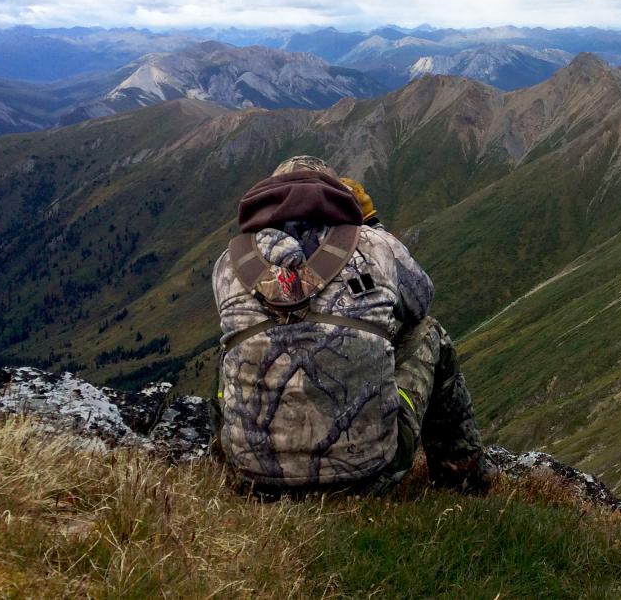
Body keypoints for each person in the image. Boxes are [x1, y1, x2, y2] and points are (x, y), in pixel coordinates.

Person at [211, 155, 492, 495]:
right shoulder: (375, 244)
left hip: (255, 481)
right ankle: (462, 481)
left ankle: (224, 463)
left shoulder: (229, 262)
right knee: (430, 334)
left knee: (231, 348)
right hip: (371, 476)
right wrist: (371, 227)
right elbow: (420, 303)